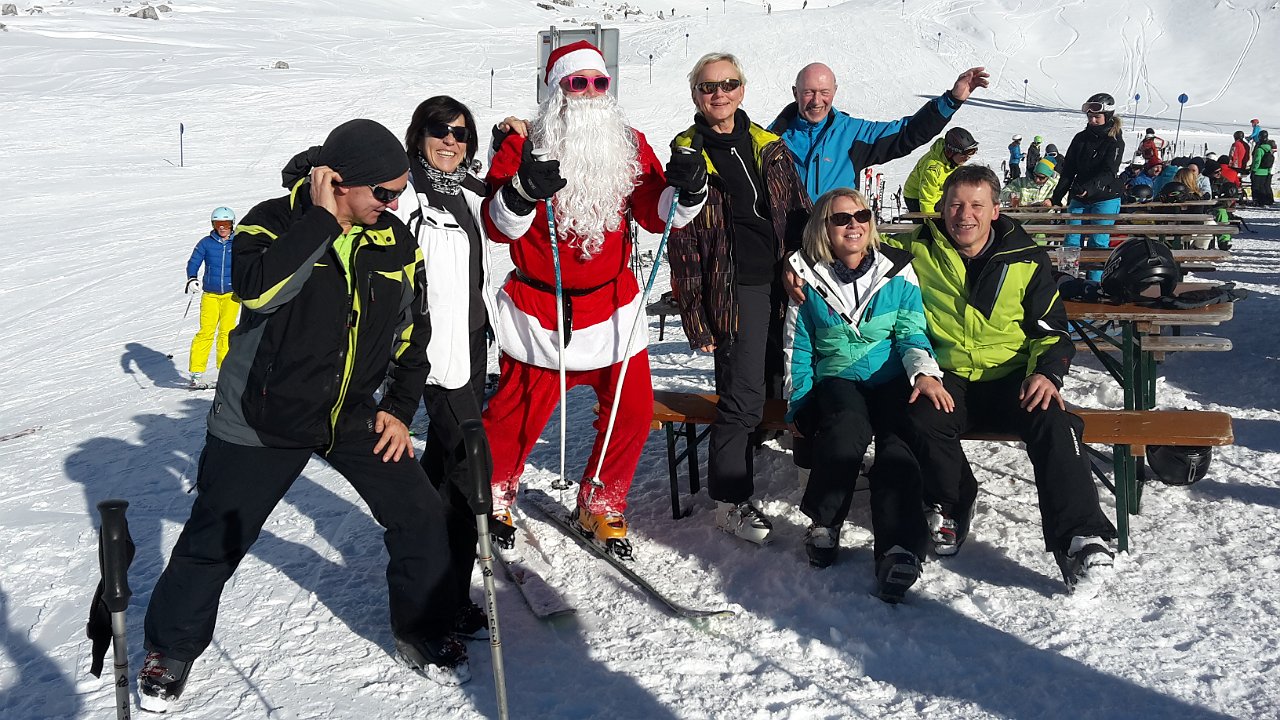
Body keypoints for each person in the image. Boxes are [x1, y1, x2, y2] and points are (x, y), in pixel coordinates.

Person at [137, 119, 467, 712]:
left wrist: (397, 409)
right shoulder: (271, 222)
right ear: (337, 182)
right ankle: (171, 647)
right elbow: (257, 290)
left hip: (352, 415)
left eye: (400, 193)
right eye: (384, 194)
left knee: (420, 514)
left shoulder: (392, 239)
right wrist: (320, 221)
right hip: (262, 417)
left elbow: (413, 330)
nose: (393, 205)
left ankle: (421, 629)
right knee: (216, 537)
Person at [481, 40, 705, 551]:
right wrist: (521, 191)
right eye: (576, 82)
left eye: (597, 82)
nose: (588, 93)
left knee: (632, 407)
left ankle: (601, 502)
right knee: (517, 412)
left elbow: (654, 208)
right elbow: (496, 227)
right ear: (556, 89)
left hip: (612, 309)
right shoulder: (525, 147)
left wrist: (687, 192)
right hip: (543, 311)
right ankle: (493, 495)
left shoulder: (627, 142)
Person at [891, 164, 1118, 592]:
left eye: (976, 205)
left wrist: (1048, 373)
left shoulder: (1026, 258)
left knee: (1055, 420)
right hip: (949, 375)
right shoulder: (916, 248)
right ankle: (955, 500)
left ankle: (1080, 537)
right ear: (940, 207)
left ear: (996, 209)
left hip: (1011, 377)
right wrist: (800, 266)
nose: (964, 215)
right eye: (955, 204)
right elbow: (852, 245)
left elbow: (1052, 330)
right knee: (918, 414)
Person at [668, 52, 811, 546]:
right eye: (708, 87)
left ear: (742, 90)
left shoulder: (768, 145)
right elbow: (681, 242)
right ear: (696, 96)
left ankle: (813, 467)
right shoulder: (689, 155)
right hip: (736, 288)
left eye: (728, 84)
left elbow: (798, 213)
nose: (719, 93)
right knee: (743, 394)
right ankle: (730, 499)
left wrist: (803, 263)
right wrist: (695, 312)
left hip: (783, 280)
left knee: (797, 375)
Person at [784, 187, 951, 601]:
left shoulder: (897, 272)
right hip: (838, 376)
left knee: (898, 439)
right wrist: (799, 401)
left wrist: (924, 374)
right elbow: (797, 346)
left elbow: (912, 331)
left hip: (891, 375)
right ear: (825, 228)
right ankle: (825, 522)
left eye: (861, 215)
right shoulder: (805, 277)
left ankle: (899, 546)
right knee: (846, 427)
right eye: (841, 219)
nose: (853, 224)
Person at [392, 95, 498, 639]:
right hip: (433, 356)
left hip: (471, 347)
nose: (451, 140)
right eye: (440, 130)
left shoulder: (467, 190)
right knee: (466, 464)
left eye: (461, 132)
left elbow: (512, 211)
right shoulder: (409, 190)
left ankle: (430, 562)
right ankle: (446, 597)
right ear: (418, 135)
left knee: (442, 462)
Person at [768, 62, 989, 201]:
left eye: (824, 92)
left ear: (834, 91)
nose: (817, 101)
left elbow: (906, 134)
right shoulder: (770, 140)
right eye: (808, 92)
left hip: (835, 248)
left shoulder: (852, 134)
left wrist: (951, 100)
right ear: (795, 93)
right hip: (788, 252)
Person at [1052, 93, 1126, 275]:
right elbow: (1069, 168)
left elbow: (1110, 171)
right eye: (1090, 116)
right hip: (1079, 195)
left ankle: (1095, 281)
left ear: (1107, 117)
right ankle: (1067, 277)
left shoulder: (1114, 140)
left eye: (1097, 117)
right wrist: (1057, 195)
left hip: (1105, 196)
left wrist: (1090, 188)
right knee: (1071, 239)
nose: (1092, 120)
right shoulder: (1080, 138)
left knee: (1098, 242)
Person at [183, 207, 239, 387]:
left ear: (232, 224)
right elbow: (194, 262)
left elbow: (250, 261)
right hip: (211, 295)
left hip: (232, 295)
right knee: (206, 332)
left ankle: (225, 373)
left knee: (226, 333)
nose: (222, 228)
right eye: (218, 224)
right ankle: (196, 373)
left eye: (226, 224)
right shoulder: (206, 243)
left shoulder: (238, 242)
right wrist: (192, 278)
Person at [903, 126, 978, 215]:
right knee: (928, 226)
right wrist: (930, 222)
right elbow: (927, 199)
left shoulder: (953, 161)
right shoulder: (932, 169)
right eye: (965, 154)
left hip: (938, 194)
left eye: (972, 152)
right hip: (917, 197)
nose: (968, 157)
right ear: (951, 152)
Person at [1251, 131, 1275, 207]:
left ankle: (1257, 201)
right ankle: (1264, 201)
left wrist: (1253, 170)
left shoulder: (1259, 149)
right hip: (1266, 171)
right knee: (1263, 187)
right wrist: (1268, 171)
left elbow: (1257, 162)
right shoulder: (1269, 149)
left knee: (1255, 187)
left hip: (1258, 172)